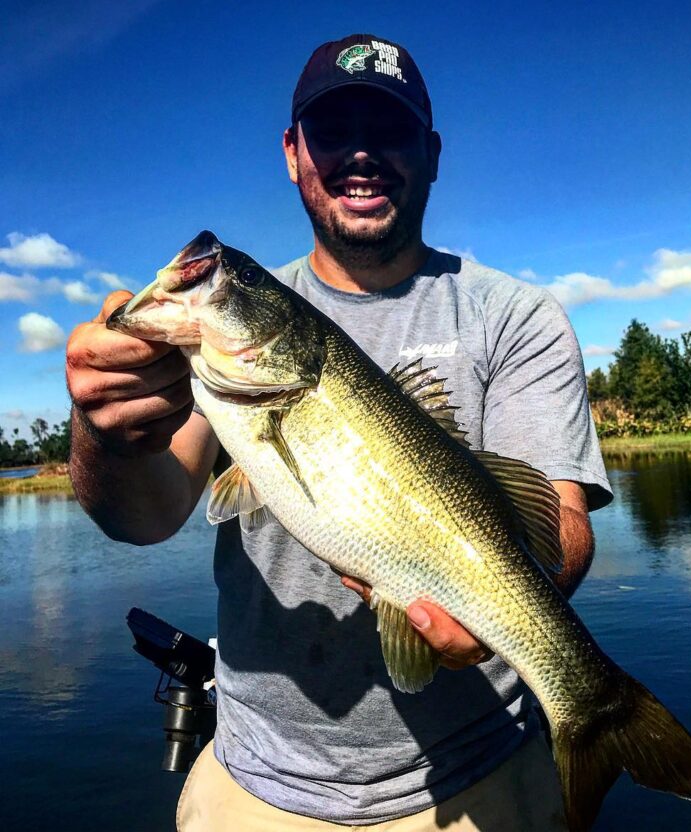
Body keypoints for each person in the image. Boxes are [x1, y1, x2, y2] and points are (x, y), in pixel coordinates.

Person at [66, 34, 612, 832]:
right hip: (258, 787)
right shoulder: (209, 362)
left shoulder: (515, 315)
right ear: (293, 154)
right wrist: (108, 433)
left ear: (430, 153)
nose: (361, 155)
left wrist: (486, 607)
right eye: (332, 133)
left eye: (387, 132)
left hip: (480, 776)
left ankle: (594, 710)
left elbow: (557, 524)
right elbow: (144, 517)